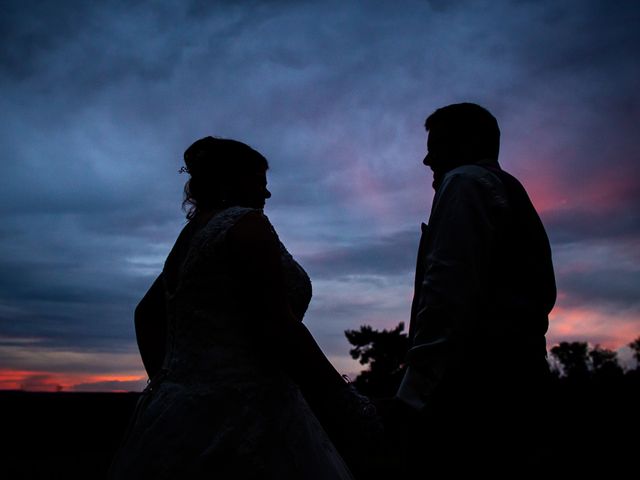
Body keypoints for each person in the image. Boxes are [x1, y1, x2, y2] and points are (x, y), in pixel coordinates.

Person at [109, 137, 374, 479]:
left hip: (181, 413)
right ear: (232, 180)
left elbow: (146, 315)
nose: (267, 195)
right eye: (260, 183)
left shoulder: (191, 235)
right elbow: (279, 325)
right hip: (251, 413)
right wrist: (347, 402)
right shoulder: (245, 223)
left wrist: (177, 382)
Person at [395, 103, 556, 473]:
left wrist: (413, 393)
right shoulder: (509, 189)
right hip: (519, 386)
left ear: (468, 142)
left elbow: (445, 293)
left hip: (474, 393)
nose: (426, 160)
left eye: (435, 146)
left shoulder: (465, 182)